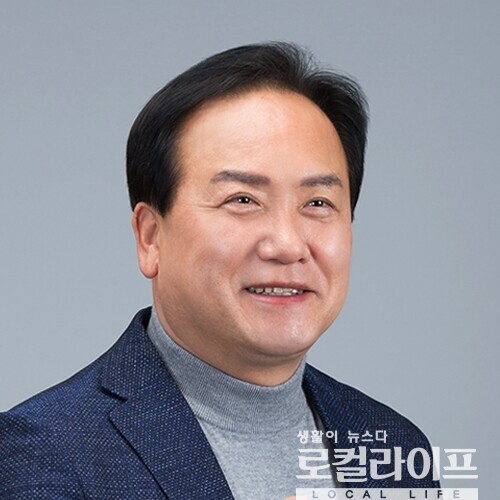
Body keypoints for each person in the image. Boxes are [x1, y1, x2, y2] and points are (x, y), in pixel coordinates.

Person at [0, 42, 439, 499]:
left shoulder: (394, 446)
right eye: (242, 200)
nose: (288, 245)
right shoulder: (41, 455)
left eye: (317, 203)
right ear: (150, 237)